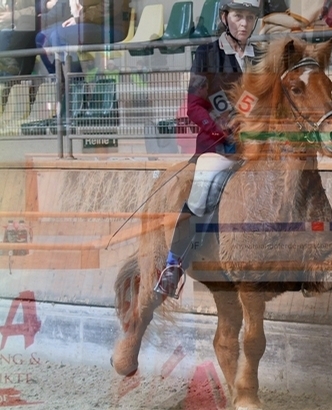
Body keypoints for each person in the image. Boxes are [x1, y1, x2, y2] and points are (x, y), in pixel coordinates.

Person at [154, 0, 263, 298]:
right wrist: (222, 129)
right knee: (200, 197)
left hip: (256, 147)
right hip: (217, 145)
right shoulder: (207, 55)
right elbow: (194, 106)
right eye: (239, 16)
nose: (244, 24)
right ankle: (173, 265)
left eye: (250, 18)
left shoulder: (261, 57)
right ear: (225, 17)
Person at [36, 0, 129, 74]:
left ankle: (78, 87)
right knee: (42, 38)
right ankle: (59, 84)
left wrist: (79, 19)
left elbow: (109, 7)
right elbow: (62, 9)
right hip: (86, 22)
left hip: (111, 27)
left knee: (59, 35)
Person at [0, 0, 38, 76]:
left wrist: (13, 15)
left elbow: (37, 10)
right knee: (3, 35)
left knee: (5, 36)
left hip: (30, 26)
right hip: (14, 27)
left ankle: (11, 75)